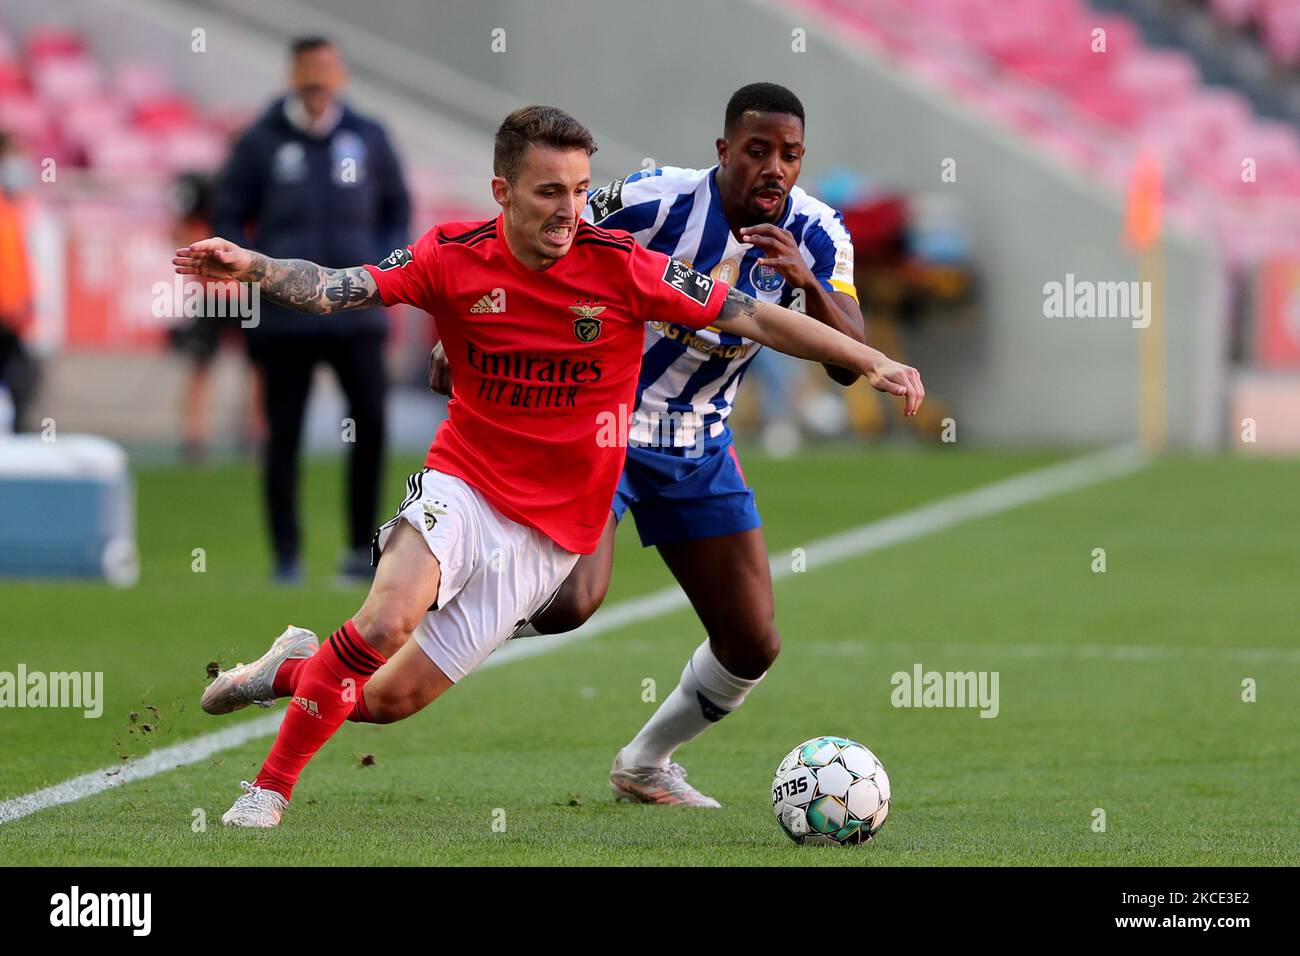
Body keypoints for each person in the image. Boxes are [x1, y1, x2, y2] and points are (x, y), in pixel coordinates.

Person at [176, 104, 923, 828]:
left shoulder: (626, 268)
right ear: (502, 192)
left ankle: (287, 669)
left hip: (551, 531)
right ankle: (266, 792)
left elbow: (753, 314)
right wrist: (255, 266)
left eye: (576, 190)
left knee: (382, 700)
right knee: (385, 618)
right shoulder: (451, 254)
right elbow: (346, 289)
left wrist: (875, 360)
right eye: (549, 192)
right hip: (462, 486)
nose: (570, 210)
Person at [429, 83, 870, 807]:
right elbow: (533, 231)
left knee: (752, 643)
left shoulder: (819, 233)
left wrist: (808, 284)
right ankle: (408, 619)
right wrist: (470, 328)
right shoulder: (651, 199)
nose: (774, 169)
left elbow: (850, 361)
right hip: (606, 424)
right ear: (724, 150)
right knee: (572, 600)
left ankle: (644, 763)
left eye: (789, 155)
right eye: (757, 151)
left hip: (702, 441)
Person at [211, 36, 410, 584]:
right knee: (283, 434)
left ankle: (357, 549)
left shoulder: (369, 138)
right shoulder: (261, 142)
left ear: (339, 75)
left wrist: (383, 268)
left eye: (327, 68)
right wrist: (244, 264)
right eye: (308, 69)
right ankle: (286, 556)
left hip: (359, 310)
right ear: (293, 74)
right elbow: (227, 209)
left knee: (369, 428)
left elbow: (398, 210)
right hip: (284, 317)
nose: (318, 79)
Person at [166, 172, 265, 462]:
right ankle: (195, 437)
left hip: (240, 296)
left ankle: (253, 432)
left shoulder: (243, 204)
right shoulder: (207, 209)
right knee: (202, 369)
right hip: (218, 299)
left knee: (255, 369)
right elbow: (178, 235)